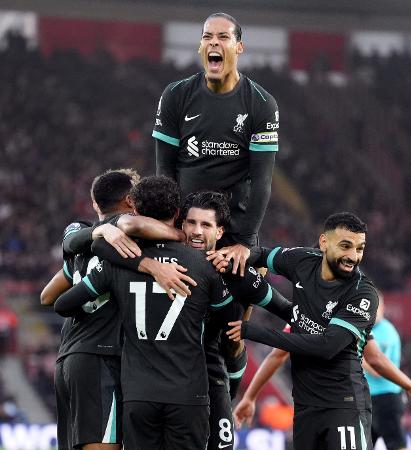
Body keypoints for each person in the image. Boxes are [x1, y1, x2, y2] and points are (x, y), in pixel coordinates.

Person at [92, 190, 291, 450]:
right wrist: (136, 256)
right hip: (164, 382)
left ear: (219, 232)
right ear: (180, 224)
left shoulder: (235, 270)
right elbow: (97, 244)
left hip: (215, 371)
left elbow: (289, 311)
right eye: (192, 223)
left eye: (206, 225)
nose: (197, 231)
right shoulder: (156, 260)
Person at [53, 176, 241, 450]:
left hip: (138, 393)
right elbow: (230, 320)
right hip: (188, 391)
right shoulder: (203, 264)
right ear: (178, 215)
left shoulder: (118, 261)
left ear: (136, 210)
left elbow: (61, 303)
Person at [40, 169, 192, 450]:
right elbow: (134, 227)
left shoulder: (79, 242)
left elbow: (48, 296)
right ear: (130, 200)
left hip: (69, 357)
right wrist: (180, 236)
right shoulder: (131, 237)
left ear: (96, 204)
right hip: (101, 357)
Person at [225, 212, 379, 450]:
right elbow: (263, 254)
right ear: (324, 243)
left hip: (343, 405)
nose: (353, 256)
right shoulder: (303, 260)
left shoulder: (363, 294)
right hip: (305, 406)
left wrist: (251, 331)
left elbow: (326, 346)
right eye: (345, 246)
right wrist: (244, 252)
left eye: (360, 248)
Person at [153, 12, 279, 275]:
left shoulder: (261, 103)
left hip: (233, 230)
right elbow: (164, 169)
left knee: (235, 312)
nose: (214, 43)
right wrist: (172, 222)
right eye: (207, 37)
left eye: (223, 37)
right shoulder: (175, 95)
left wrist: (245, 242)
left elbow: (262, 181)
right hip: (187, 226)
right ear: (200, 46)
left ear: (239, 47)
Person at [233, 326, 411, 431]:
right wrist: (410, 385)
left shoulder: (302, 311)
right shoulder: (351, 305)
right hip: (339, 410)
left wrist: (250, 397)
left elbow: (277, 355)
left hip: (313, 410)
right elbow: (375, 360)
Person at [363, 295, 410, 450]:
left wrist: (356, 357)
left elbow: (379, 370)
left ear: (382, 307)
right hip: (369, 399)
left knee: (396, 443)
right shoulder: (367, 330)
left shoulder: (386, 332)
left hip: (386, 397)